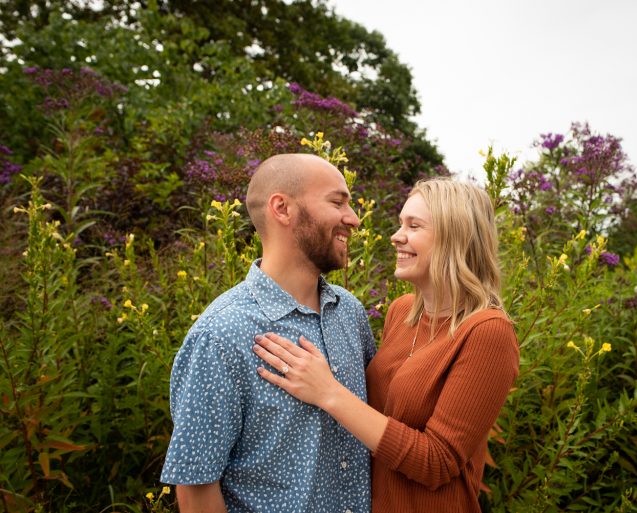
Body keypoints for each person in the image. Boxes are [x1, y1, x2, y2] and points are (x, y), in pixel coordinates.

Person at [254, 178, 520, 513]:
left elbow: (437, 463)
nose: (397, 236)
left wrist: (328, 392)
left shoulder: (487, 332)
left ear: (456, 237)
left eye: (414, 226)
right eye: (400, 224)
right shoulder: (402, 312)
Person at [160, 154, 377, 513]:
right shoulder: (221, 335)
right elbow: (197, 492)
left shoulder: (349, 313)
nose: (353, 219)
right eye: (337, 202)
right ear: (282, 208)